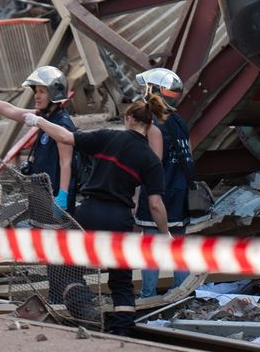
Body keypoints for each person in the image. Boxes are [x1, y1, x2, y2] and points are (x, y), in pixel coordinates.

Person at [24, 96, 170, 336]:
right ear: (150, 125)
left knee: (65, 265)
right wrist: (165, 234)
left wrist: (38, 121)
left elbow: (64, 137)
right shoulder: (150, 160)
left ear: (128, 119)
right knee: (121, 280)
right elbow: (155, 204)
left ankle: (86, 312)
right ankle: (123, 331)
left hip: (90, 213)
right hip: (120, 218)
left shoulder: (107, 136)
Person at [0, 65, 78, 213]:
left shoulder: (61, 124)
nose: (36, 96)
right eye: (36, 91)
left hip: (56, 200)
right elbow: (11, 110)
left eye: (41, 92)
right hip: (42, 195)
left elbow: (66, 162)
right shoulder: (44, 117)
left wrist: (63, 195)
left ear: (54, 95)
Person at [131, 68, 193, 298]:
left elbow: (153, 166)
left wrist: (137, 197)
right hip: (179, 193)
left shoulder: (155, 126)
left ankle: (148, 295)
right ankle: (184, 294)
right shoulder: (180, 121)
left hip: (160, 196)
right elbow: (189, 158)